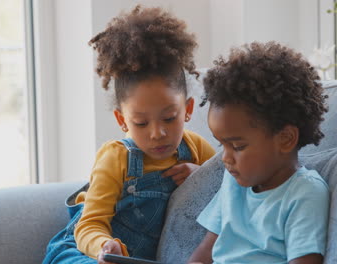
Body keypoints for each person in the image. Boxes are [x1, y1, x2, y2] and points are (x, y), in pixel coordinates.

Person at [43, 5, 216, 264]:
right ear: (122, 120)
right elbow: (88, 226)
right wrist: (104, 246)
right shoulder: (116, 157)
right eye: (141, 123)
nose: (158, 133)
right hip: (85, 252)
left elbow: (227, 193)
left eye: (169, 118)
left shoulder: (197, 150)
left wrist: (199, 178)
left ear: (188, 109)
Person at [188, 41, 330, 264]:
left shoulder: (305, 194)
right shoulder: (233, 182)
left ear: (285, 139)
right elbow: (205, 253)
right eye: (221, 145)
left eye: (237, 147)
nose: (225, 158)